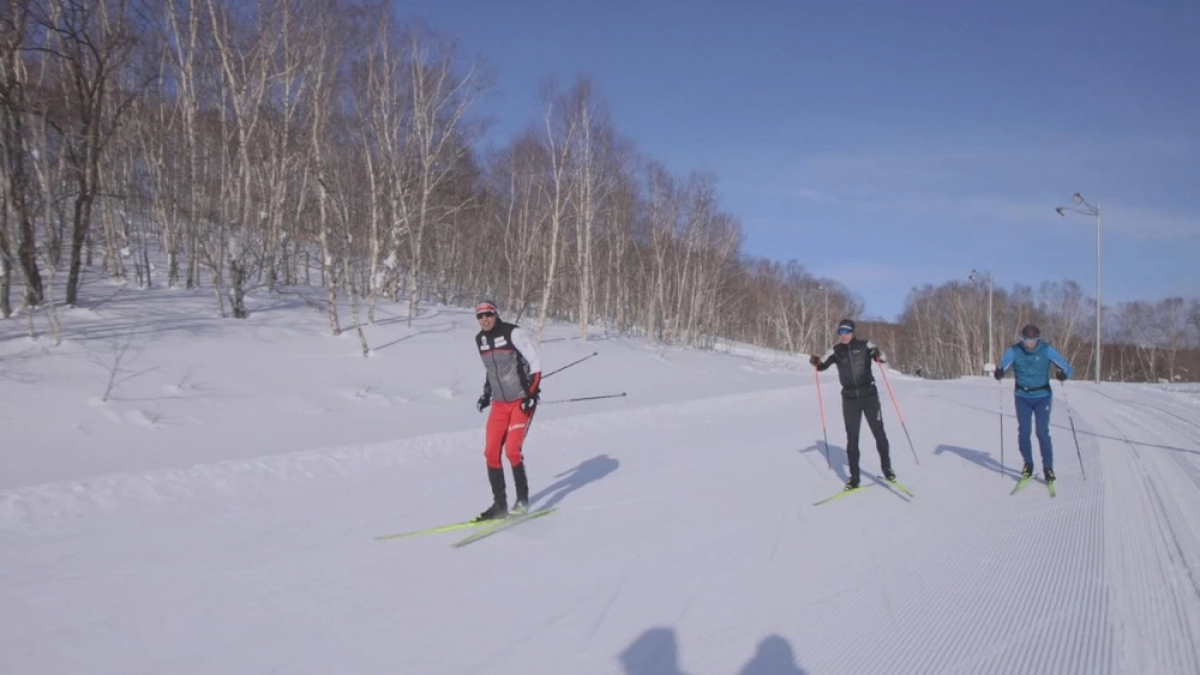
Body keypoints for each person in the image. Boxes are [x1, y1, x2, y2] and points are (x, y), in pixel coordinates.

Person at [472, 300, 542, 521]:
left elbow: (535, 363)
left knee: (512, 450)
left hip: (520, 400)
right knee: (491, 452)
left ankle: (522, 500)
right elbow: (491, 370)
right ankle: (499, 505)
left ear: (496, 314)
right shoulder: (480, 340)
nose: (485, 319)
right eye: (480, 316)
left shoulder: (513, 333)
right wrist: (486, 393)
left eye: (488, 314)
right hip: (499, 404)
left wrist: (531, 394)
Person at [810, 319, 896, 491]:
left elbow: (882, 358)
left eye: (846, 331)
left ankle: (887, 470)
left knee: (879, 433)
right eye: (840, 332)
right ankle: (854, 477)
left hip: (869, 396)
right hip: (850, 399)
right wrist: (815, 361)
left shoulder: (865, 345)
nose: (843, 335)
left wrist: (880, 355)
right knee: (852, 437)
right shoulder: (835, 350)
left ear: (852, 332)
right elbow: (822, 366)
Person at [994, 324, 1073, 484]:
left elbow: (1067, 368)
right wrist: (999, 372)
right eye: (1025, 339)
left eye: (1031, 340)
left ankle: (1048, 468)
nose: (1027, 343)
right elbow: (1002, 366)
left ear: (1037, 339)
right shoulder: (1015, 350)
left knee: (1042, 432)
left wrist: (1063, 374)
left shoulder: (1046, 350)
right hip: (1022, 396)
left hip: (1042, 396)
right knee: (1024, 431)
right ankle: (1028, 464)